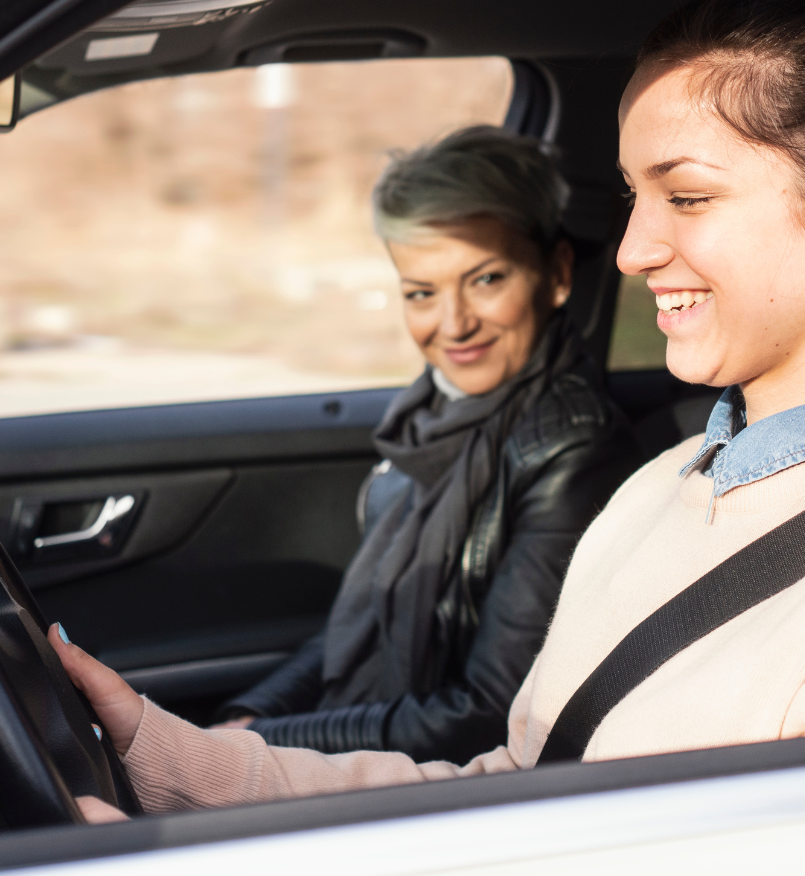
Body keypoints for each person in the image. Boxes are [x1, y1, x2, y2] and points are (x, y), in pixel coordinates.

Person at [51, 0, 805, 820]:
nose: (631, 251)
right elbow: (513, 786)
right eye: (635, 197)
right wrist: (167, 759)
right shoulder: (660, 493)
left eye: (686, 198)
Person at [207, 126, 642, 763]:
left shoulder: (571, 453)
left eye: (486, 279)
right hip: (389, 741)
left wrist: (256, 747)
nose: (454, 324)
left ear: (556, 274)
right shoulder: (434, 415)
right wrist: (257, 716)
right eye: (421, 293)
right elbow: (362, 621)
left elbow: (488, 712)